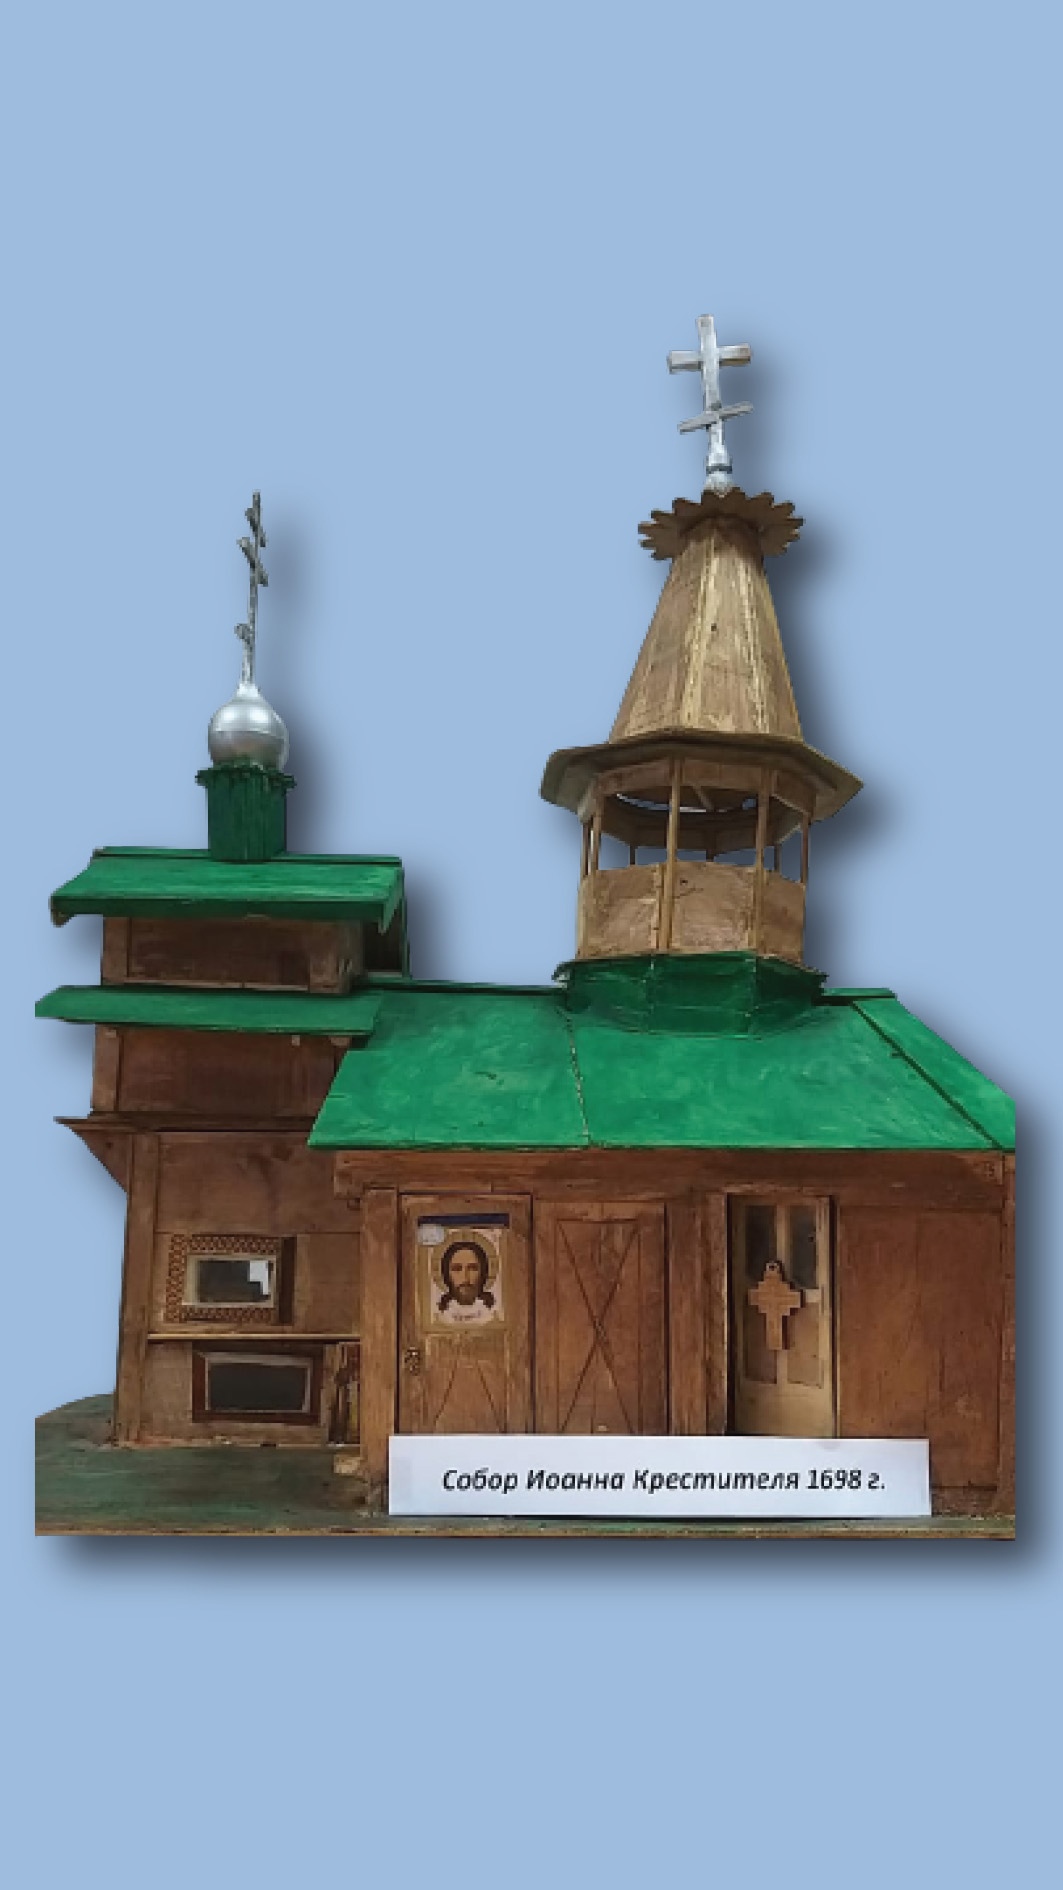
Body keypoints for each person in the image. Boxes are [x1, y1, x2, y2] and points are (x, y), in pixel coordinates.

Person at [438, 1239, 495, 1318]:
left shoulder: (491, 1309)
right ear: (446, 1274)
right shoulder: (444, 1311)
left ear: (483, 1272)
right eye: (457, 1269)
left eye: (472, 1268)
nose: (465, 1277)